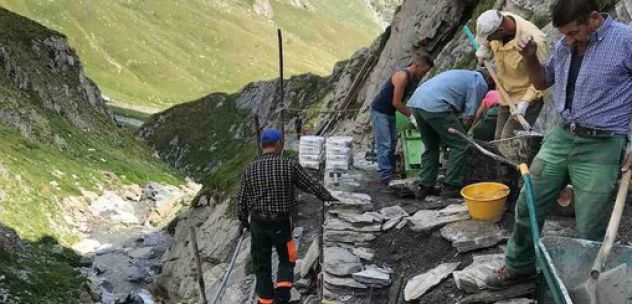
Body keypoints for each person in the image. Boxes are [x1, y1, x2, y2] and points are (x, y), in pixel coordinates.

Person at [484, 0, 632, 288]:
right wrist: (529, 57)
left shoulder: (625, 40)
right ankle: (520, 266)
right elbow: (541, 82)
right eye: (563, 34)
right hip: (561, 136)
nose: (567, 39)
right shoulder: (566, 45)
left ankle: (581, 284)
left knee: (589, 225)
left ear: (593, 18)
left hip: (602, 144)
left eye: (574, 32)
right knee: (529, 203)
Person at [236, 128, 336, 304]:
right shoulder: (289, 164)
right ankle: (282, 296)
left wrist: (243, 221)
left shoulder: (249, 169)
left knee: (261, 263)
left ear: (262, 145)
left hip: (258, 223)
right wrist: (328, 197)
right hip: (281, 223)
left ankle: (265, 300)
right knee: (286, 258)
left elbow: (241, 200)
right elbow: (310, 184)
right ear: (279, 144)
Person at [407, 68, 494, 199]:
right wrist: (464, 133)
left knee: (431, 145)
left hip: (417, 104)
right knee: (460, 144)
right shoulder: (479, 81)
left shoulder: (463, 74)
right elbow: (469, 116)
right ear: (490, 80)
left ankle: (425, 185)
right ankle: (451, 186)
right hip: (435, 106)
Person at [476, 9, 550, 140]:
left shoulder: (533, 40)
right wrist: (485, 47)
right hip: (506, 95)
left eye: (489, 38)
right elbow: (488, 38)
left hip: (528, 97)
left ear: (501, 31)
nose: (489, 40)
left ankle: (521, 160)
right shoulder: (500, 19)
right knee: (499, 137)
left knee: (508, 139)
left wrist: (525, 102)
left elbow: (543, 76)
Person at [370, 55, 434, 185]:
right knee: (385, 144)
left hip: (390, 112)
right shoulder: (402, 76)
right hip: (380, 111)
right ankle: (385, 175)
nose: (423, 75)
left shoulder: (413, 79)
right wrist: (412, 117)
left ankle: (392, 171)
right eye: (423, 72)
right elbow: (397, 102)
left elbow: (408, 99)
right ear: (416, 66)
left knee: (392, 142)